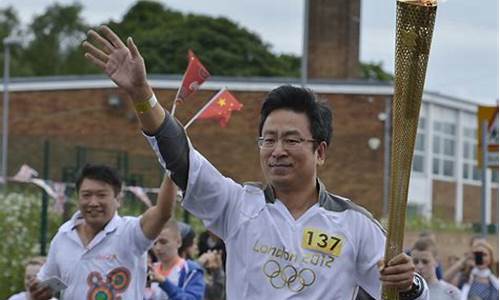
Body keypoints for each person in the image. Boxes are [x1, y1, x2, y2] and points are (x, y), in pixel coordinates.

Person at [83, 25, 428, 299]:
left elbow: (403, 293)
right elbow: (181, 159)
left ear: (320, 151)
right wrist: (142, 94)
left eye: (292, 140)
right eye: (269, 139)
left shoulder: (355, 225)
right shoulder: (237, 205)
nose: (277, 150)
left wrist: (409, 287)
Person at [29, 165, 177, 300]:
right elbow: (48, 283)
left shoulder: (130, 233)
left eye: (101, 195)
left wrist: (172, 167)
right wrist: (41, 291)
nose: (93, 202)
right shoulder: (64, 235)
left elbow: (162, 213)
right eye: (86, 195)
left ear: (118, 199)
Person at [149, 219, 205, 300]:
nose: (158, 248)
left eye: (163, 242)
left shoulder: (191, 270)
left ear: (178, 242)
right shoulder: (151, 269)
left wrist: (164, 282)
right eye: (154, 243)